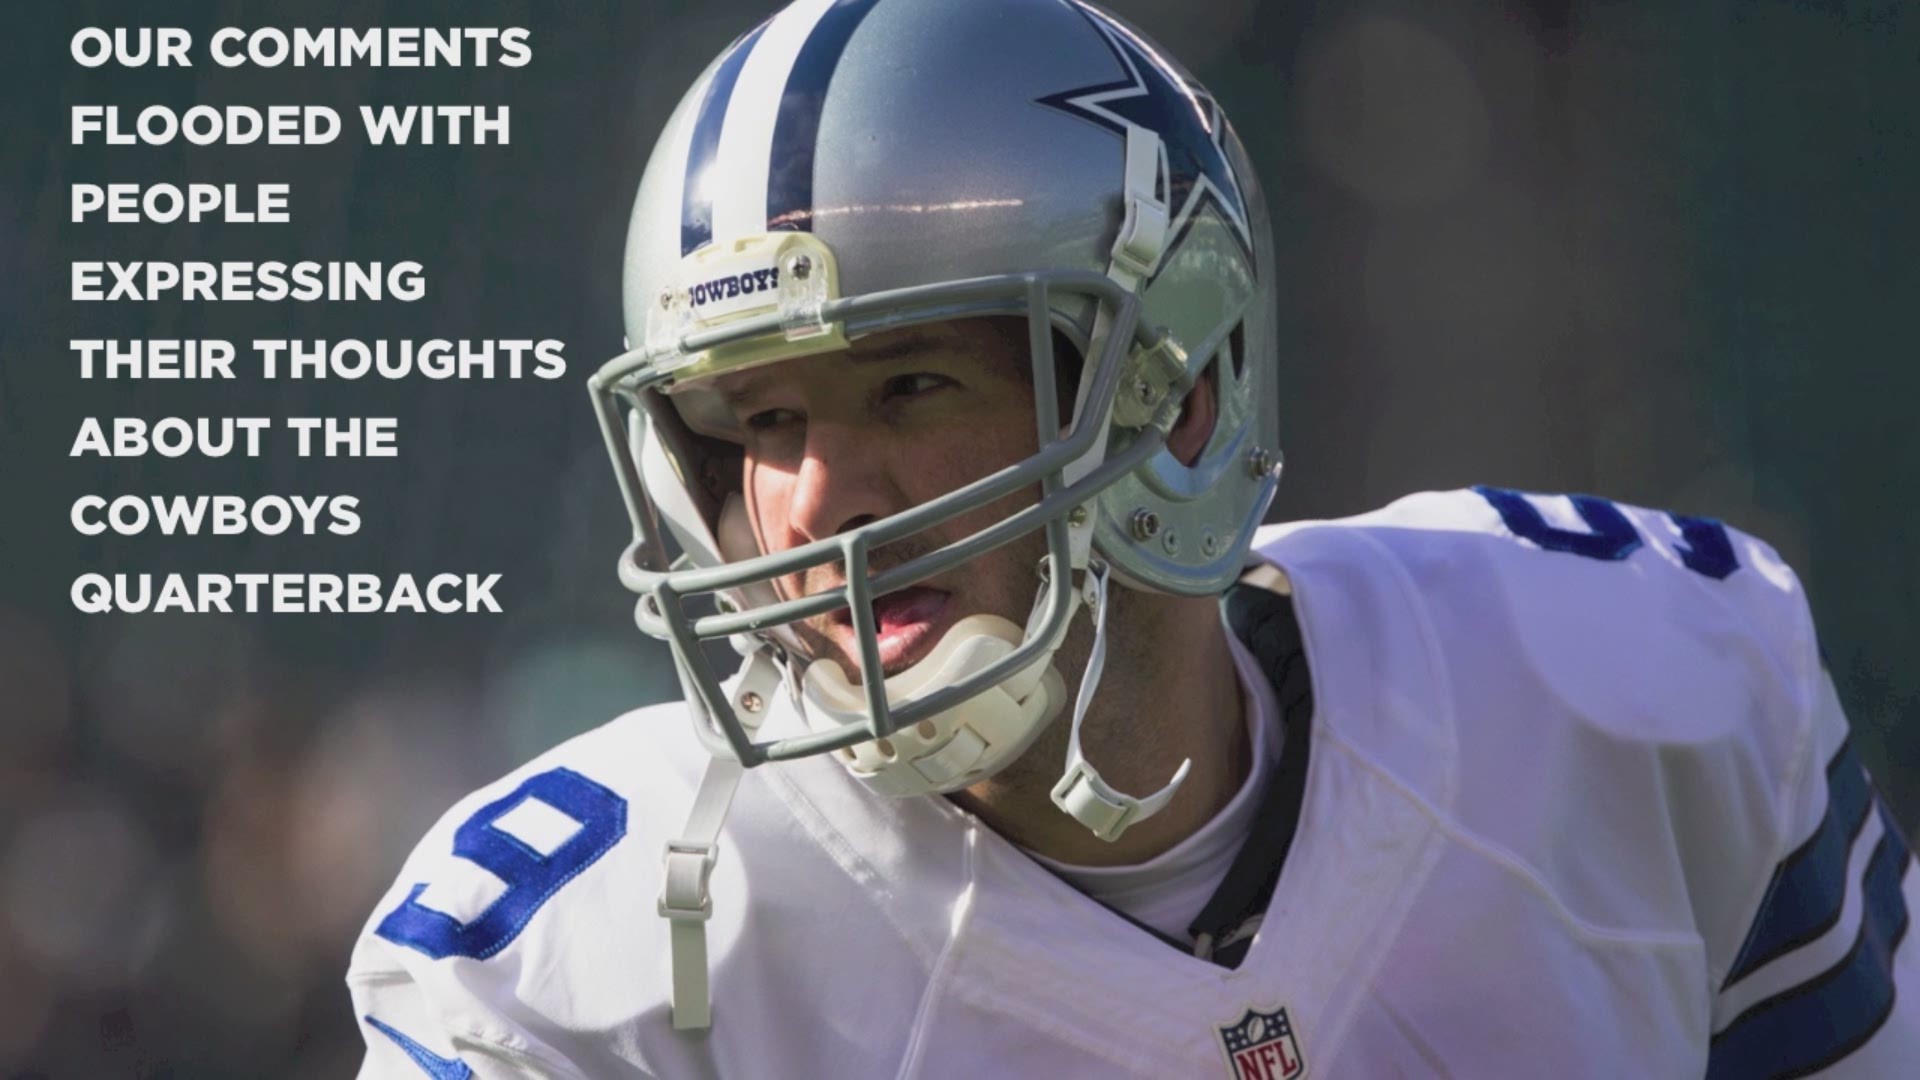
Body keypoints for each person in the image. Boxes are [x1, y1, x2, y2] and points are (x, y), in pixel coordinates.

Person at [347, 0, 1918, 1076]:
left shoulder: (1629, 693)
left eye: (907, 385)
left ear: (1181, 390)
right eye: (760, 423)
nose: (817, 499)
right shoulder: (573, 967)